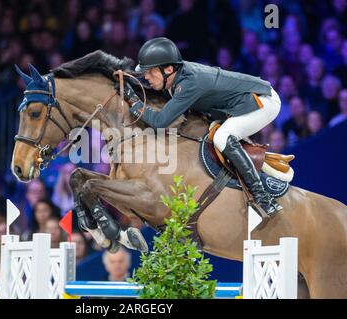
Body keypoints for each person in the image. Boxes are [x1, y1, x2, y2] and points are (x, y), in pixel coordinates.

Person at [120, 37, 282, 216]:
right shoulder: (176, 77)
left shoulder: (190, 83)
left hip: (262, 102)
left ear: (168, 69)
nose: (146, 77)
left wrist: (134, 102)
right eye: (144, 73)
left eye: (150, 72)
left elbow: (159, 122)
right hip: (238, 104)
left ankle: (262, 196)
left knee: (223, 137)